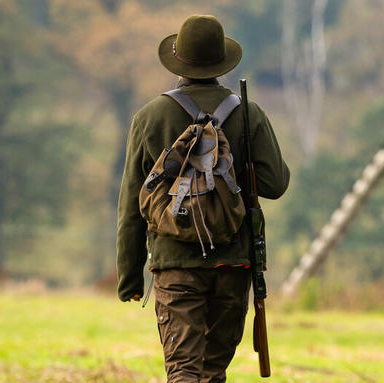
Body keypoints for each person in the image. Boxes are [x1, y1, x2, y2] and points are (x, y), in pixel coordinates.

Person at [116, 14, 290, 383]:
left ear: (178, 61)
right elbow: (275, 183)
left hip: (175, 263)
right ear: (222, 62)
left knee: (183, 371)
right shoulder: (249, 113)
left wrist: (129, 278)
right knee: (212, 372)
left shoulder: (149, 117)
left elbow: (133, 203)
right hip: (232, 265)